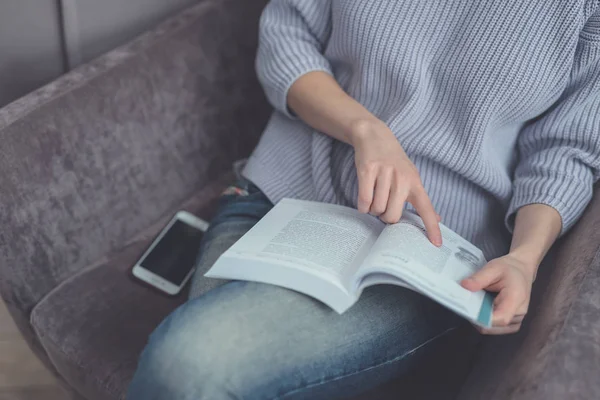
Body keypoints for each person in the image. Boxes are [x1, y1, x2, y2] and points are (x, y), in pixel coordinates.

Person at [128, 1, 600, 398]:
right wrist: (365, 129)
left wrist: (525, 258)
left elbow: (565, 150)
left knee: (189, 365)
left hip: (420, 260)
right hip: (275, 200)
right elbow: (287, 37)